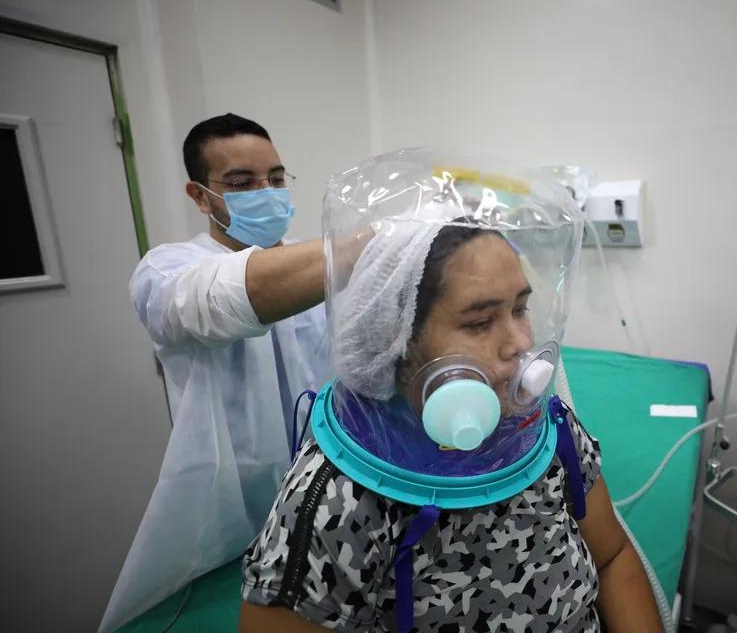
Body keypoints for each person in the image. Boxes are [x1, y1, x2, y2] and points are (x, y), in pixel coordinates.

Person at [237, 151, 662, 632]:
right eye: (480, 322)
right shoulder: (337, 499)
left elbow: (612, 557)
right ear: (395, 342)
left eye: (520, 309)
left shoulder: (547, 427)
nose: (520, 343)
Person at [100, 114, 332, 632]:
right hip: (231, 508)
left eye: (275, 178)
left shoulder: (314, 265)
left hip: (324, 490)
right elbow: (222, 300)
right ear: (200, 196)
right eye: (242, 183)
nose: (266, 193)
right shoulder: (168, 270)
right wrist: (363, 248)